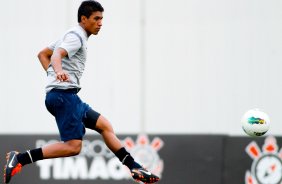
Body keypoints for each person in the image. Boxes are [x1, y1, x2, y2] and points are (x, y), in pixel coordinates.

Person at [3, 1, 159, 183]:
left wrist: (54, 75)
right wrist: (58, 71)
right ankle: (20, 158)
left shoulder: (73, 34)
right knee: (73, 147)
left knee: (104, 126)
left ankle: (134, 167)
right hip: (63, 97)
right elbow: (54, 55)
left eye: (102, 19)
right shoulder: (75, 37)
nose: (100, 23)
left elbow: (42, 54)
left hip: (69, 96)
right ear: (83, 19)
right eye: (96, 18)